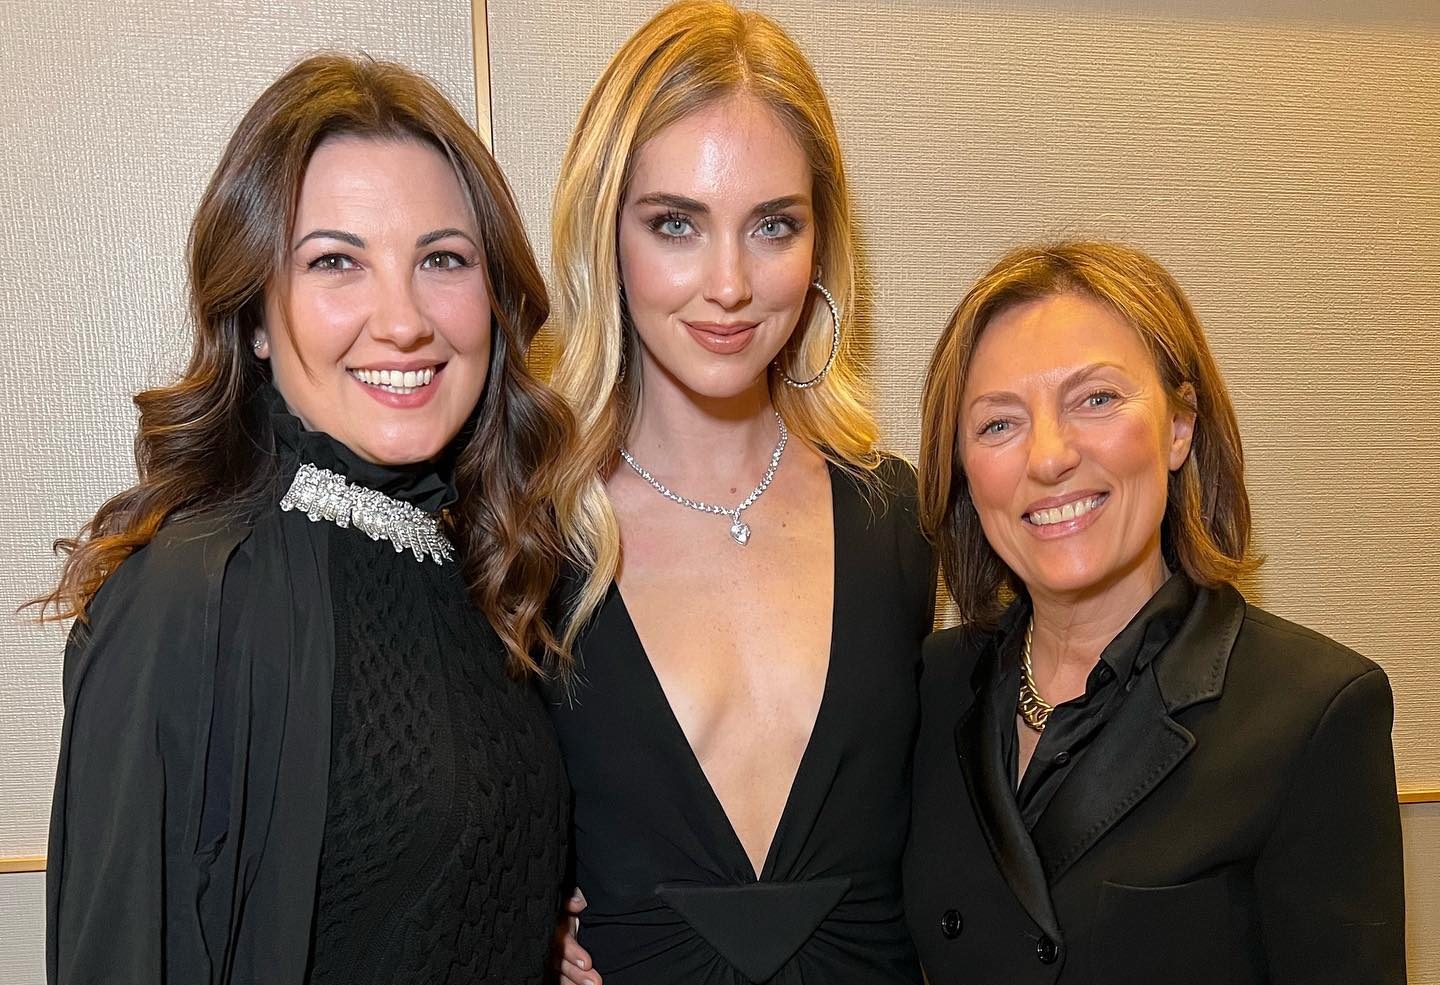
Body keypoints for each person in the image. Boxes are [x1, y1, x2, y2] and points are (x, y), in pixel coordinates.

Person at [40, 54, 573, 985]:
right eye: (336, 262)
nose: (403, 321)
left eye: (442, 259)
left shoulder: (486, 563)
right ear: (253, 314)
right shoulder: (191, 598)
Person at [543, 3, 933, 983]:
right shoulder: (528, 534)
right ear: (606, 235)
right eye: (675, 224)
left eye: (773, 226)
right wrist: (510, 919)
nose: (729, 284)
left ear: (821, 242)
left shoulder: (900, 520)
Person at [906, 240, 1406, 984]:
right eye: (999, 424)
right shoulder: (932, 683)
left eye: (1096, 400)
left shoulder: (1314, 712)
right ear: (964, 470)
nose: (1049, 457)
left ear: (1180, 425)